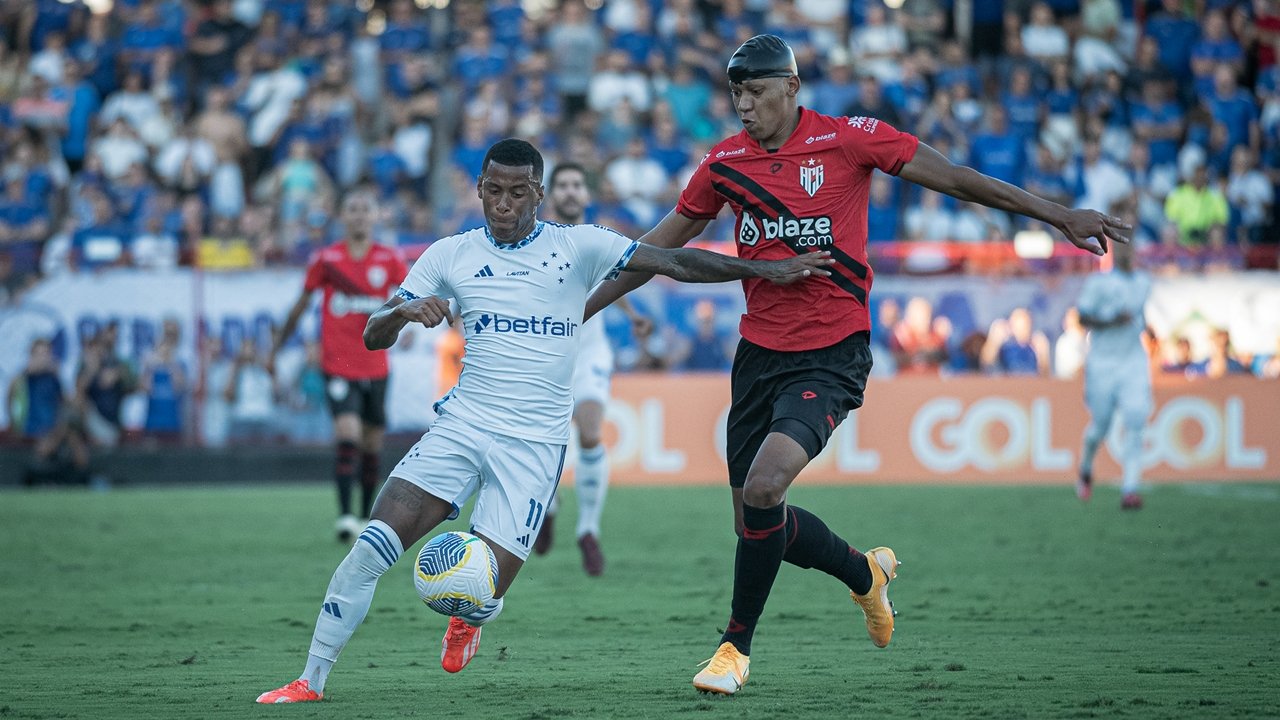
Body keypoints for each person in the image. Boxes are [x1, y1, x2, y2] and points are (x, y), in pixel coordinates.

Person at [584, 35, 1131, 696]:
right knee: (756, 522)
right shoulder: (724, 163)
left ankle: (733, 649)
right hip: (758, 357)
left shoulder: (850, 140)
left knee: (764, 489)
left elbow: (959, 179)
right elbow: (656, 250)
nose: (744, 107)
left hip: (832, 351)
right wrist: (580, 311)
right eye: (736, 95)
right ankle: (865, 575)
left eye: (755, 92)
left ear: (791, 87)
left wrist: (1057, 215)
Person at [254, 138, 832, 704]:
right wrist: (402, 312)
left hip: (532, 447)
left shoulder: (578, 246)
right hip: (461, 427)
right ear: (479, 190)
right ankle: (310, 680)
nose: (502, 205)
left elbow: (675, 260)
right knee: (370, 547)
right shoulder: (450, 254)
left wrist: (765, 271)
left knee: (480, 596)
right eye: (492, 192)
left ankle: (470, 619)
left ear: (539, 194)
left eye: (517, 193)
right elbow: (372, 333)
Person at [530, 161, 653, 576]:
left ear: (586, 195)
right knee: (547, 446)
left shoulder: (600, 238)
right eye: (561, 184)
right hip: (548, 354)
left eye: (576, 185)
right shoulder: (539, 239)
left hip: (591, 353)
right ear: (550, 194)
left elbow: (613, 279)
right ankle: (549, 506)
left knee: (590, 431)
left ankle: (587, 531)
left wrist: (634, 314)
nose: (568, 191)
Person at [270, 192, 409, 542]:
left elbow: (411, 296)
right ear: (342, 218)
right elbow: (301, 305)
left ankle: (365, 517)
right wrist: (278, 346)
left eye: (365, 208)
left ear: (375, 215)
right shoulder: (327, 259)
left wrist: (408, 326)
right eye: (353, 209)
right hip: (339, 363)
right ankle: (346, 516)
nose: (360, 215)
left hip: (376, 364)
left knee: (372, 444)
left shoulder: (389, 259)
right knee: (347, 434)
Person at [1075, 241, 1151, 510]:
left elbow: (1141, 317)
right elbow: (1082, 319)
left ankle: (1130, 488)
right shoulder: (1099, 284)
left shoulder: (1144, 282)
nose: (1128, 254)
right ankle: (1085, 467)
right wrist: (1111, 322)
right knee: (1101, 426)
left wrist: (1149, 331)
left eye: (1132, 248)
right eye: (1123, 249)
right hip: (1102, 362)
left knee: (1136, 417)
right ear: (1115, 254)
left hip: (1133, 360)